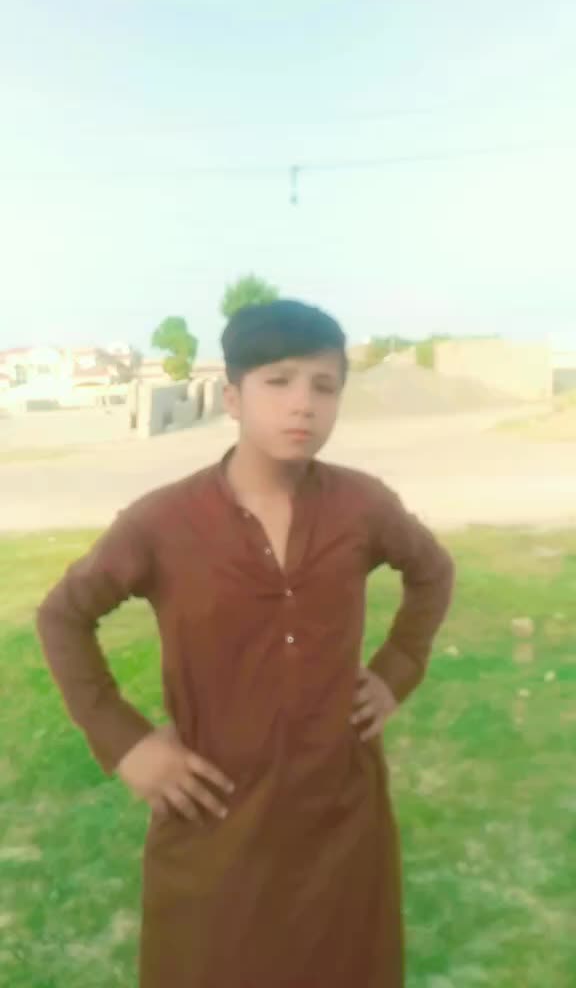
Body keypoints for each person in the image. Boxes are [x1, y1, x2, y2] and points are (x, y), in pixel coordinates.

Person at [36, 300, 454, 988]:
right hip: (214, 817)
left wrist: (396, 668)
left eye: (324, 386)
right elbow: (63, 617)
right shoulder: (163, 522)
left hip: (340, 815)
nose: (303, 403)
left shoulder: (361, 506)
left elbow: (432, 572)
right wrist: (126, 742)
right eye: (278, 381)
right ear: (232, 397)